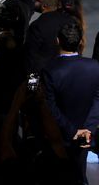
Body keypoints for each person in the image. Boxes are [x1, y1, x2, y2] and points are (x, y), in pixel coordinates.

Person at [42, 20, 99, 184]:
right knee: (80, 175)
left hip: (61, 135)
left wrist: (72, 130)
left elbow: (50, 106)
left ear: (58, 41)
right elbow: (98, 99)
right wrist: (88, 128)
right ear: (80, 42)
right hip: (86, 136)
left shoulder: (50, 70)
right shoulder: (95, 66)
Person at [26, 0, 71, 73]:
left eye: (36, 0)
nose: (33, 1)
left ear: (44, 6)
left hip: (44, 72)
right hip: (66, 70)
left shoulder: (37, 25)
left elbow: (31, 56)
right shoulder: (69, 21)